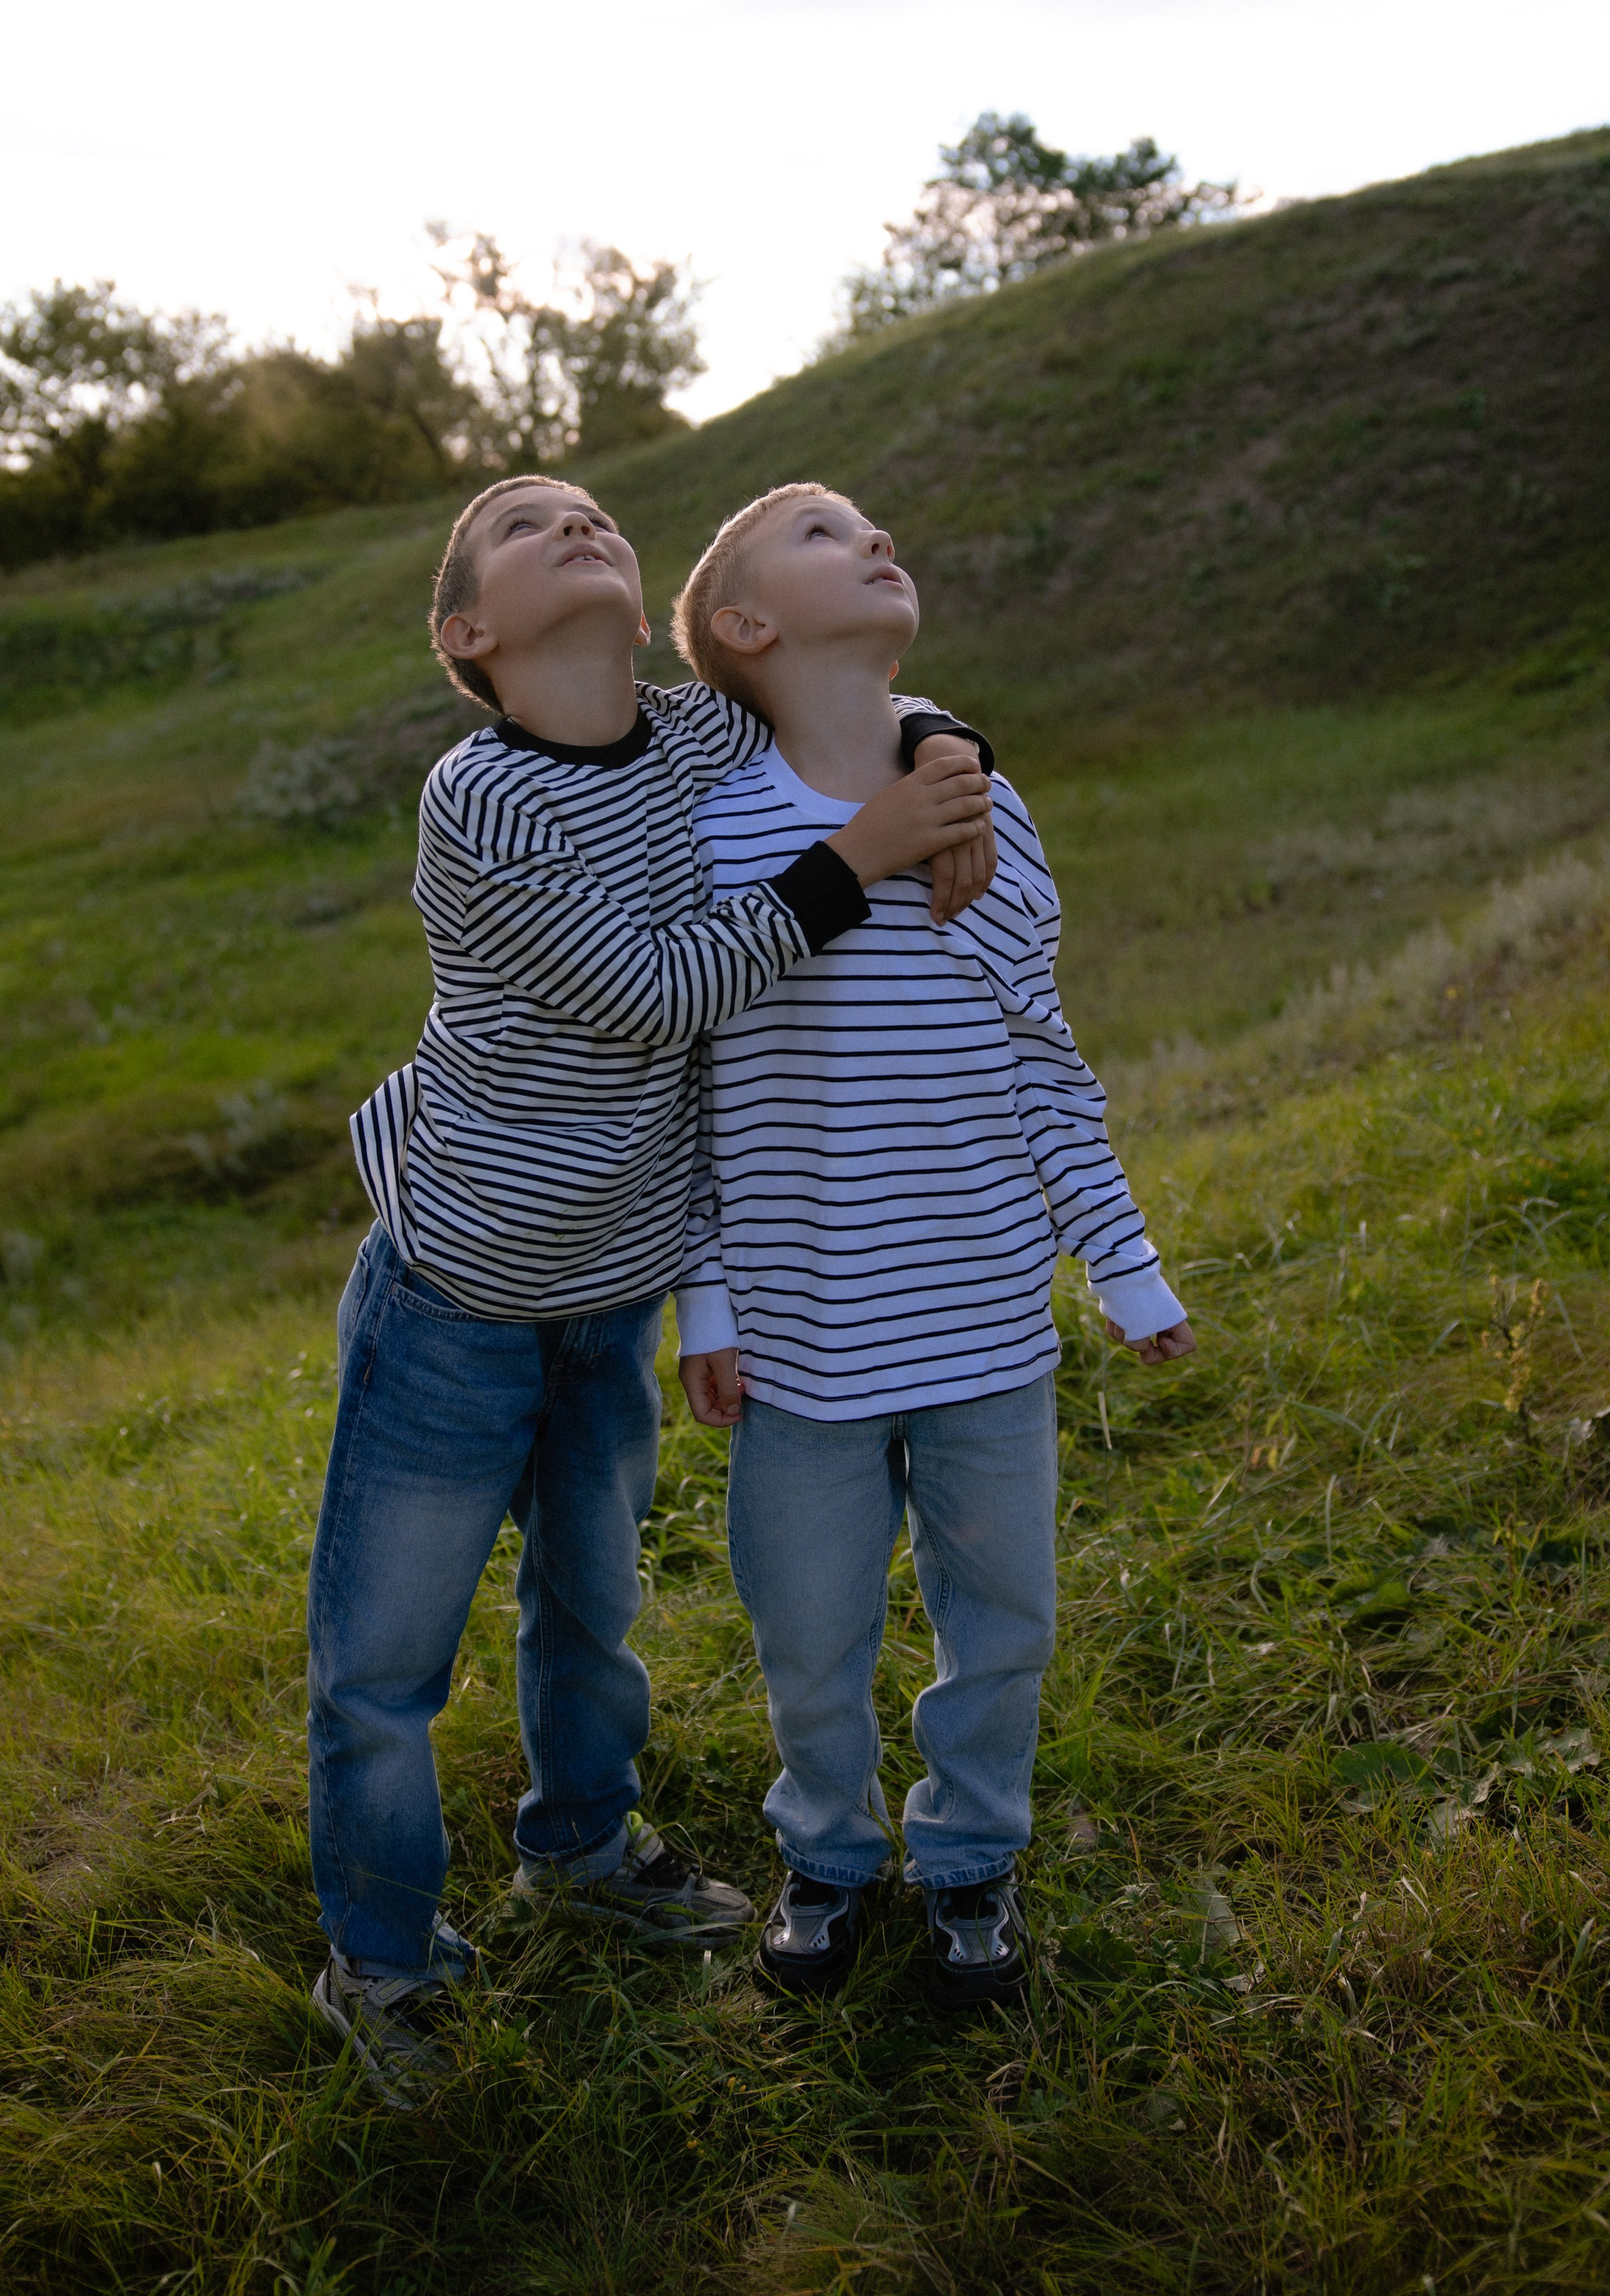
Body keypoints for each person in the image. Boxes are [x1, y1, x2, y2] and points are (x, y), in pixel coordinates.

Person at [307, 472, 995, 2102]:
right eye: (523, 524)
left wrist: (944, 747)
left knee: (589, 1603)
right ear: (467, 632)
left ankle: (584, 1843)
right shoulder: (483, 795)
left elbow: (854, 700)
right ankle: (384, 1961)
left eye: (589, 511)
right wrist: (861, 852)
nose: (577, 522)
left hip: (613, 1288)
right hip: (458, 1288)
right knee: (383, 1660)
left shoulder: (689, 739)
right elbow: (641, 991)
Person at [669, 482, 1195, 2009]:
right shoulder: (718, 828)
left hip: (982, 1323)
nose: (876, 534)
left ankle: (968, 1857)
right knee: (810, 1634)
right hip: (797, 1340)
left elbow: (1043, 1053)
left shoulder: (985, 804)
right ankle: (825, 1852)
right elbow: (691, 1081)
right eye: (823, 532)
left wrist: (1123, 1259)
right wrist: (703, 1297)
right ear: (743, 626)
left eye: (874, 522)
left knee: (1003, 1619)